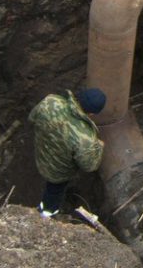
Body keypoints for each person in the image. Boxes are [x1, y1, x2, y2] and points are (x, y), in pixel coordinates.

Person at [28, 87, 106, 217]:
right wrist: (99, 146)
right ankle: (47, 213)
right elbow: (89, 166)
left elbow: (32, 118)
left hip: (41, 153)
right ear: (92, 114)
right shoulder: (85, 137)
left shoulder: (51, 101)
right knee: (54, 192)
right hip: (57, 172)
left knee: (50, 184)